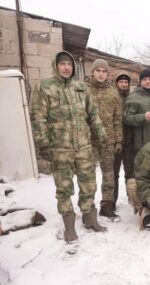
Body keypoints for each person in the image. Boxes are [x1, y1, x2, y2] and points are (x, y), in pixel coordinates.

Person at [30, 51, 107, 243]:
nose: (67, 67)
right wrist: (43, 143)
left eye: (69, 64)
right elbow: (38, 116)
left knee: (89, 185)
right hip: (60, 149)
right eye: (63, 64)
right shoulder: (44, 87)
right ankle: (69, 227)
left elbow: (93, 114)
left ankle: (90, 219)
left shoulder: (81, 87)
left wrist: (101, 134)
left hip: (83, 148)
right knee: (64, 189)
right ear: (56, 66)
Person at [86, 59, 123, 221]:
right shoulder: (83, 90)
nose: (101, 74)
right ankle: (88, 209)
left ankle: (107, 207)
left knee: (109, 174)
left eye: (104, 71)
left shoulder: (113, 92)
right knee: (87, 176)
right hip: (89, 140)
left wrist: (118, 140)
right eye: (98, 70)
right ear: (92, 72)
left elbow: (117, 118)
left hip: (108, 141)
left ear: (108, 74)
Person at [123, 69, 150, 153]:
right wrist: (143, 117)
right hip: (142, 144)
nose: (147, 82)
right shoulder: (133, 98)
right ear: (140, 81)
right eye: (144, 79)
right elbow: (126, 119)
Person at [112, 71, 134, 209]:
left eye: (126, 82)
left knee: (130, 173)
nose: (124, 84)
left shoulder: (132, 98)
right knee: (113, 174)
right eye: (121, 82)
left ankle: (131, 199)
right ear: (116, 83)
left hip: (130, 141)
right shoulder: (112, 97)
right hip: (115, 141)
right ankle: (112, 201)